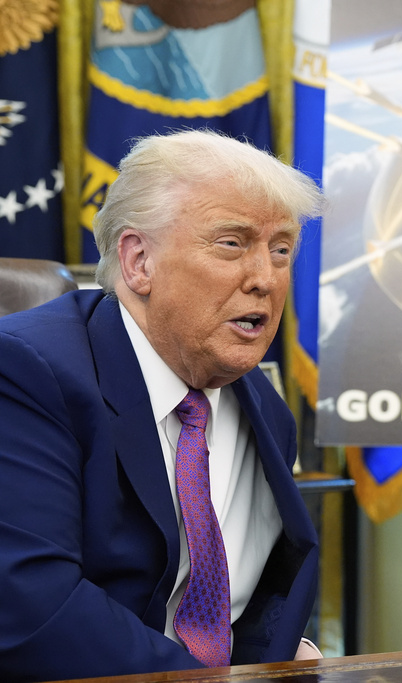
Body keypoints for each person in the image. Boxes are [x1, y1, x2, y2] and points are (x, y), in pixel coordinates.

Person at [0, 130, 326, 680]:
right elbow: (33, 606)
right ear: (139, 261)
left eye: (281, 249)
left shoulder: (265, 410)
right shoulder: (27, 373)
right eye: (232, 243)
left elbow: (259, 599)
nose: (265, 279)